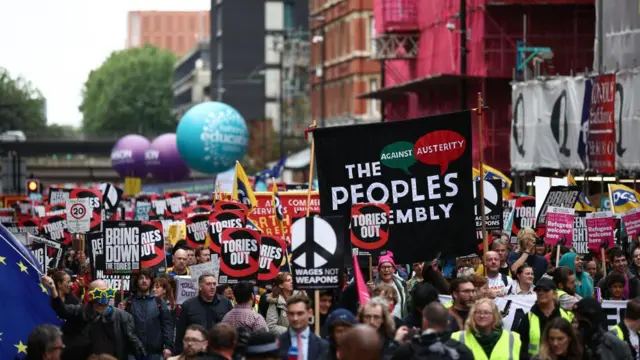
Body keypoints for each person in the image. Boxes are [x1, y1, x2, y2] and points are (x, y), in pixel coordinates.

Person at [42, 276, 146, 359]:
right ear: (90, 296)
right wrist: (53, 289)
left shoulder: (124, 317)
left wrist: (141, 352)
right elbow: (62, 309)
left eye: (106, 291)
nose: (104, 295)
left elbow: (132, 341)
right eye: (99, 292)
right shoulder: (81, 312)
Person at [391, 302, 474, 360]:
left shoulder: (407, 351)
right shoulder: (462, 352)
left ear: (425, 321)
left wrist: (395, 343)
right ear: (448, 323)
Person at [123, 268, 174, 359]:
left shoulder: (158, 301)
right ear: (136, 281)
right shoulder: (129, 302)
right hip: (133, 353)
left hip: (155, 353)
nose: (144, 281)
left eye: (147, 278)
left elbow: (167, 325)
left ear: (151, 281)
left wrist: (168, 346)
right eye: (141, 278)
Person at [175, 274, 233, 354]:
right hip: (196, 352)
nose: (212, 287)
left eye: (214, 284)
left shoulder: (225, 303)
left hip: (219, 351)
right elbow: (181, 332)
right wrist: (179, 353)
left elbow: (231, 327)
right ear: (200, 287)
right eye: (208, 284)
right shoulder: (188, 305)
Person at [517, 278, 573, 359]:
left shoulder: (565, 316)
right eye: (538, 290)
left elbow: (572, 345)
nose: (541, 293)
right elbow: (521, 347)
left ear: (554, 294)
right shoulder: (528, 318)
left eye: (545, 290)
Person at [450, 298, 521, 359]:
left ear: (494, 316)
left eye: (486, 312)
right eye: (478, 312)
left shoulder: (513, 338)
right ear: (472, 315)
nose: (482, 315)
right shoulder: (456, 337)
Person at [276, 293, 329, 360]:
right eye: (291, 314)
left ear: (310, 313)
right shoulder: (277, 344)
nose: (295, 318)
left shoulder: (322, 346)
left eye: (300, 313)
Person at [374, 252, 407, 319]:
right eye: (383, 267)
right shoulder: (373, 286)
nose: (386, 270)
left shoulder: (402, 284)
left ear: (394, 269)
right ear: (379, 270)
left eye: (389, 267)